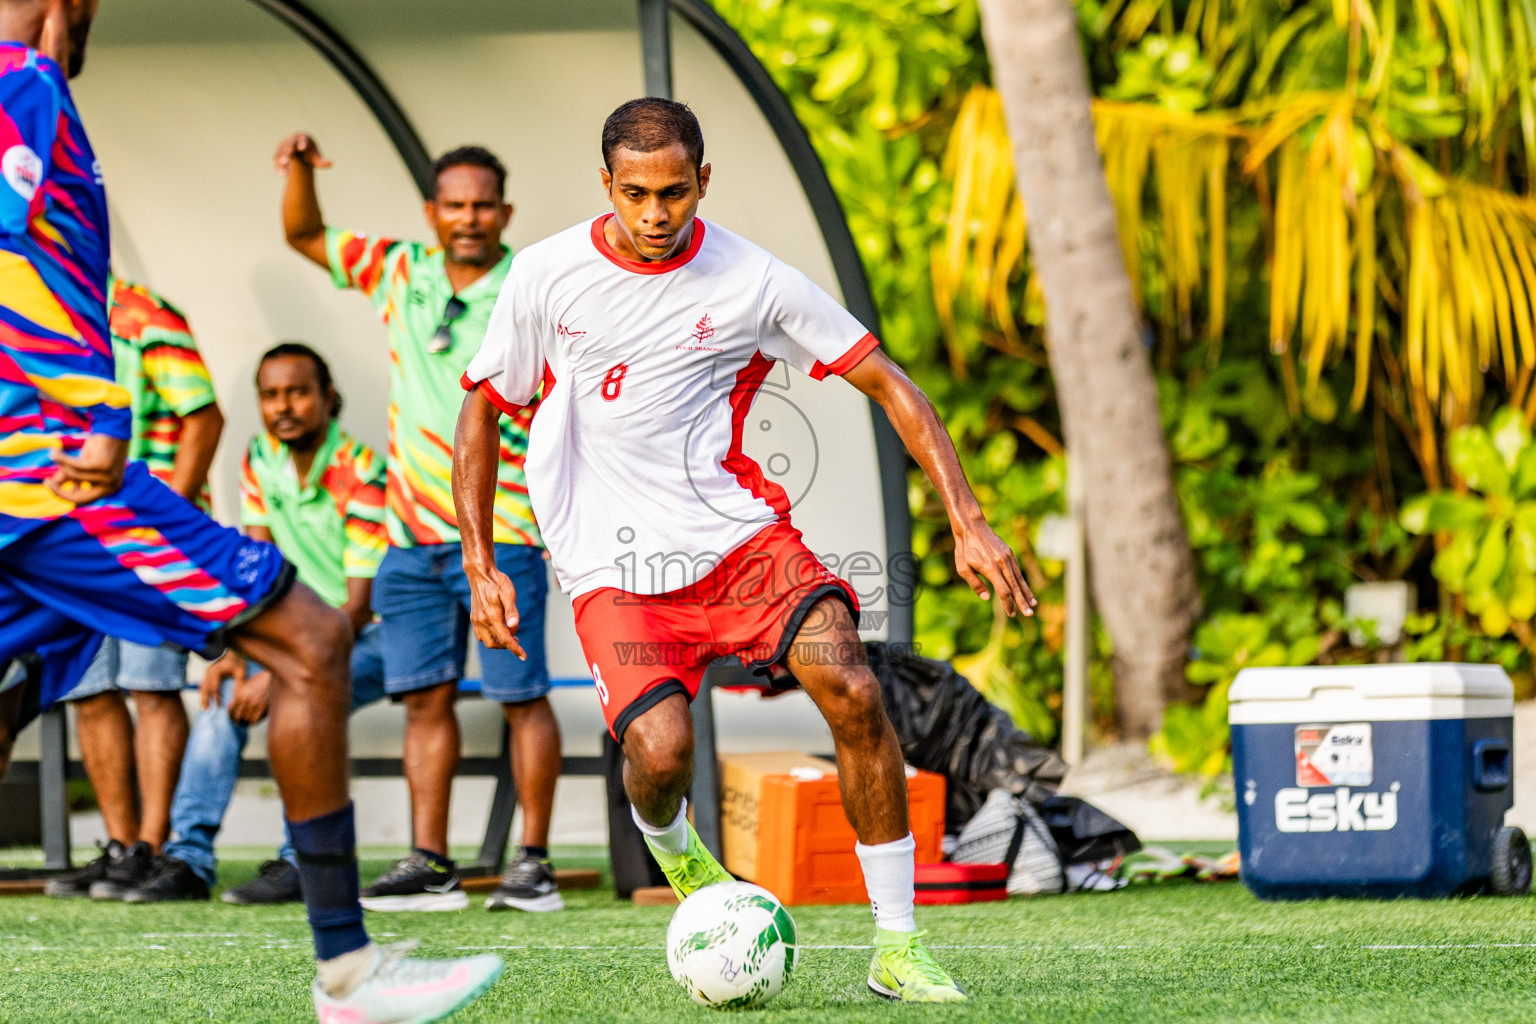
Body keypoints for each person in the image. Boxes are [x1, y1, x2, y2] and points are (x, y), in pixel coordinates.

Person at [454, 98, 1036, 1004]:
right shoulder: (544, 274)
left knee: (853, 684)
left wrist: (967, 516)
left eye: (675, 193)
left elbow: (889, 382)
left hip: (741, 541)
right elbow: (485, 407)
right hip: (618, 566)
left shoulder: (754, 279)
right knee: (660, 751)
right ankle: (678, 853)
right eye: (637, 194)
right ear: (605, 184)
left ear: (703, 183)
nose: (656, 215)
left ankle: (898, 945)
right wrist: (479, 559)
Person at [0, 2, 501, 1019]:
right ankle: (348, 973)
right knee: (309, 639)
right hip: (45, 473)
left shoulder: (40, 90)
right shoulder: (21, 81)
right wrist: (97, 405)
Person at [277, 133, 562, 913]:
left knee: (520, 695)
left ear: (505, 212)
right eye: (455, 206)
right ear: (432, 213)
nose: (468, 218)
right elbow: (303, 234)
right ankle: (430, 862)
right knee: (423, 700)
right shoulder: (401, 270)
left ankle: (531, 866)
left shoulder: (532, 284)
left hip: (505, 531)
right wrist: (300, 166)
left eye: (482, 206)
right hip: (409, 538)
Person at [123, 343, 390, 905]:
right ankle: (189, 859)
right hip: (291, 635)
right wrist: (241, 657)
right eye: (269, 395)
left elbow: (358, 608)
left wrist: (283, 667)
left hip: (369, 637)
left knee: (299, 690)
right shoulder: (259, 458)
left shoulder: (363, 471)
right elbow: (258, 577)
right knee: (222, 697)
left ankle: (300, 861)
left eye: (297, 392)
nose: (282, 406)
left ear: (328, 398)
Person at [43, 276, 224, 901]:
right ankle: (120, 849)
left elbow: (203, 419)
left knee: (151, 686)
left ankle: (153, 847)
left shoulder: (146, 314)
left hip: (148, 542)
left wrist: (159, 519)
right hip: (68, 541)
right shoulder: (29, 317)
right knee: (89, 692)